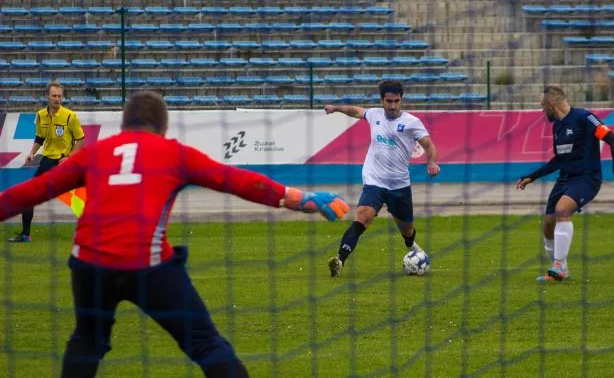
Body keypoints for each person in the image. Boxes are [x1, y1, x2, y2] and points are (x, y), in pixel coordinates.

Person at [0, 90, 350, 378]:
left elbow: (30, 193)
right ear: (164, 128)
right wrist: (299, 198)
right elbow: (235, 180)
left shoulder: (94, 153)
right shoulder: (174, 153)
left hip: (89, 264)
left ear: (123, 124)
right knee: (206, 343)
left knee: (86, 341)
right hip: (147, 266)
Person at [516, 86, 614, 282]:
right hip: (565, 179)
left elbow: (613, 140)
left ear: (551, 104)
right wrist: (533, 176)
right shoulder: (557, 127)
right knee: (548, 225)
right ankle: (561, 270)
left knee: (562, 210)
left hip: (587, 179)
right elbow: (559, 159)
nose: (542, 111)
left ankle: (558, 265)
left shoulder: (584, 118)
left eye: (542, 106)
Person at [325, 80, 440, 277]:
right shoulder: (375, 114)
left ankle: (410, 244)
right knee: (363, 216)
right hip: (374, 181)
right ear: (382, 100)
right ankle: (339, 261)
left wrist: (431, 163)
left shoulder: (412, 122)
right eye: (389, 101)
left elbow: (429, 145)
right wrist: (335, 108)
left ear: (401, 100)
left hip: (399, 185)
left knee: (407, 229)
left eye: (396, 101)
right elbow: (354, 110)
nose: (393, 105)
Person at [8, 81, 85, 243]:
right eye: (54, 96)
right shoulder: (41, 115)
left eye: (59, 96)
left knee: (87, 195)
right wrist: (31, 153)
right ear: (47, 96)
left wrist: (70, 156)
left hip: (65, 163)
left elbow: (80, 139)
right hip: (48, 161)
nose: (57, 99)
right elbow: (40, 138)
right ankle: (26, 234)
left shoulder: (70, 116)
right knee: (28, 195)